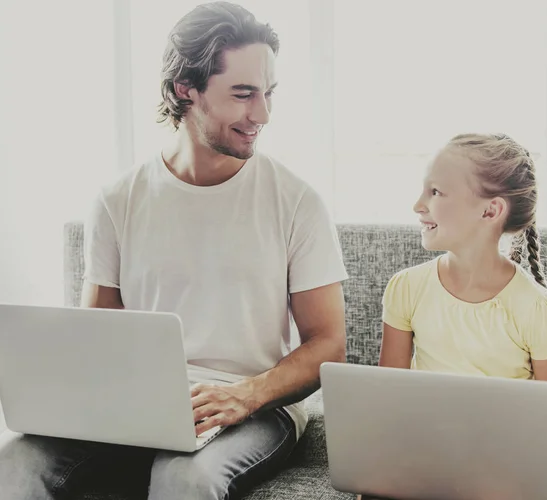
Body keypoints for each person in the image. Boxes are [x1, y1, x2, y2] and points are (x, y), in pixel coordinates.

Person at [0, 2, 348, 499]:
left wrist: (243, 396)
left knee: (186, 477)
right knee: (14, 463)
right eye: (244, 94)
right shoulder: (118, 200)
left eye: (269, 93)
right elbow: (97, 332)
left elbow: (328, 344)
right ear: (186, 90)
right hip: (141, 407)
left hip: (256, 406)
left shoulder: (296, 202)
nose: (263, 114)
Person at [358, 133, 547, 500]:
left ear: (490, 211)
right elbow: (389, 401)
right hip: (424, 454)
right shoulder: (406, 288)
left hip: (501, 465)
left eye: (436, 192)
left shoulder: (537, 310)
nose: (417, 205)